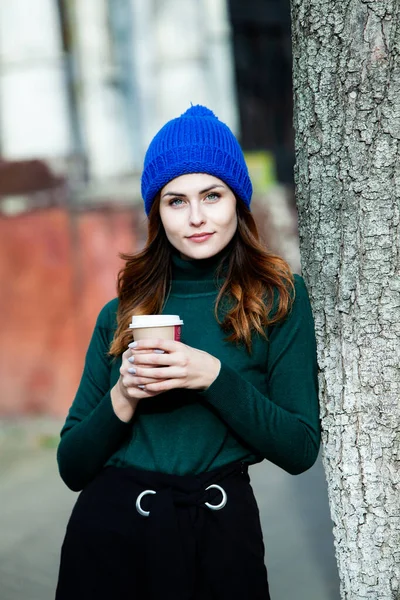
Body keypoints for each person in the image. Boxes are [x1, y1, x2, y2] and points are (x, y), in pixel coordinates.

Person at [55, 105, 320, 600]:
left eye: (212, 196)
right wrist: (124, 395)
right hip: (112, 539)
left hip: (221, 539)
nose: (196, 217)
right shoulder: (124, 310)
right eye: (176, 201)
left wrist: (213, 376)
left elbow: (300, 448)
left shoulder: (279, 299)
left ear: (237, 202)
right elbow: (72, 467)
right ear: (157, 212)